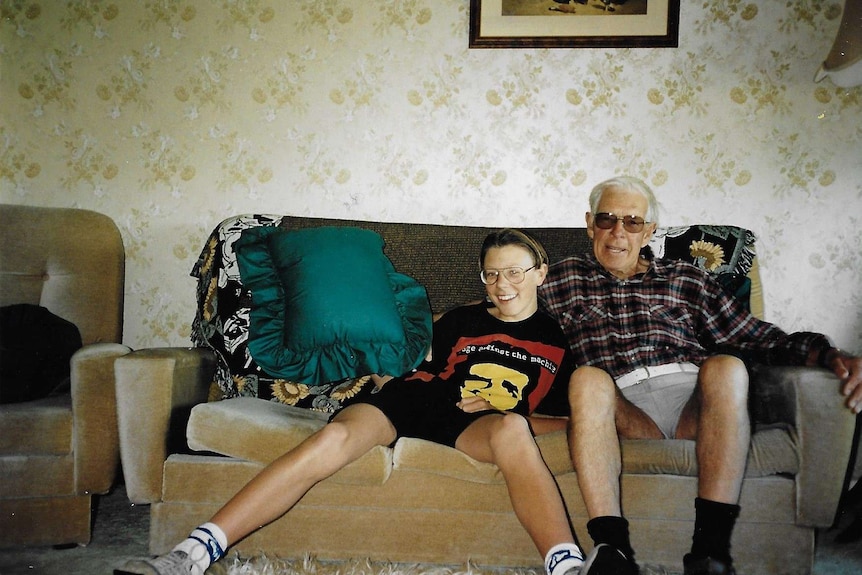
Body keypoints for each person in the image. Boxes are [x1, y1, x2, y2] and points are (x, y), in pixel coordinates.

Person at [118, 228, 587, 575]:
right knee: (334, 438)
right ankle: (190, 556)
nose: (502, 283)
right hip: (418, 399)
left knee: (512, 430)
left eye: (514, 271)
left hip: (478, 423)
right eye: (491, 273)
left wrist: (510, 411)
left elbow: (565, 417)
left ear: (540, 273)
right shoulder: (459, 318)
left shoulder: (561, 342)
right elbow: (413, 356)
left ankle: (564, 566)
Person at [539, 175, 862, 575]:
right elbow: (502, 315)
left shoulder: (686, 279)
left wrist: (831, 355)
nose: (618, 232)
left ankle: (709, 552)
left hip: (692, 402)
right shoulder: (559, 279)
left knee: (726, 366)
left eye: (632, 222)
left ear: (649, 231)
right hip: (622, 410)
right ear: (589, 224)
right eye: (606, 219)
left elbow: (757, 337)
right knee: (586, 379)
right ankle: (613, 551)